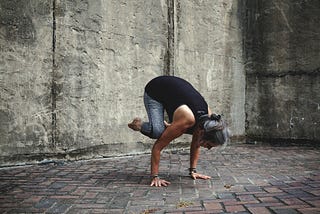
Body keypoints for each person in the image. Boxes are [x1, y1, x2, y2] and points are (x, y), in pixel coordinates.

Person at [128, 76, 229, 187]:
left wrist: (193, 171)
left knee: (181, 129)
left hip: (173, 91)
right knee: (157, 132)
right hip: (155, 90)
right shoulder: (188, 120)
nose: (209, 148)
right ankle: (138, 124)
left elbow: (196, 143)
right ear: (203, 134)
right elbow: (157, 147)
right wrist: (155, 177)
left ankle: (170, 126)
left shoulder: (209, 120)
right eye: (209, 145)